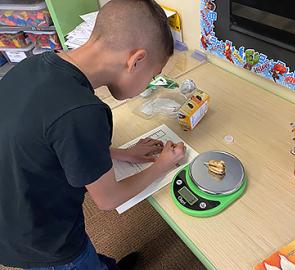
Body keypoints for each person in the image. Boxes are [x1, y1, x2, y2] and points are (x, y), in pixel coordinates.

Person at [0, 0, 185, 269]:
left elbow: (47, 141)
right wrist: (162, 165)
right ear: (136, 60)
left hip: (12, 217)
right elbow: (108, 199)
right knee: (78, 262)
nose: (149, 83)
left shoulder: (36, 64)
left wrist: (120, 153)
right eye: (153, 76)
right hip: (45, 241)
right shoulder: (83, 111)